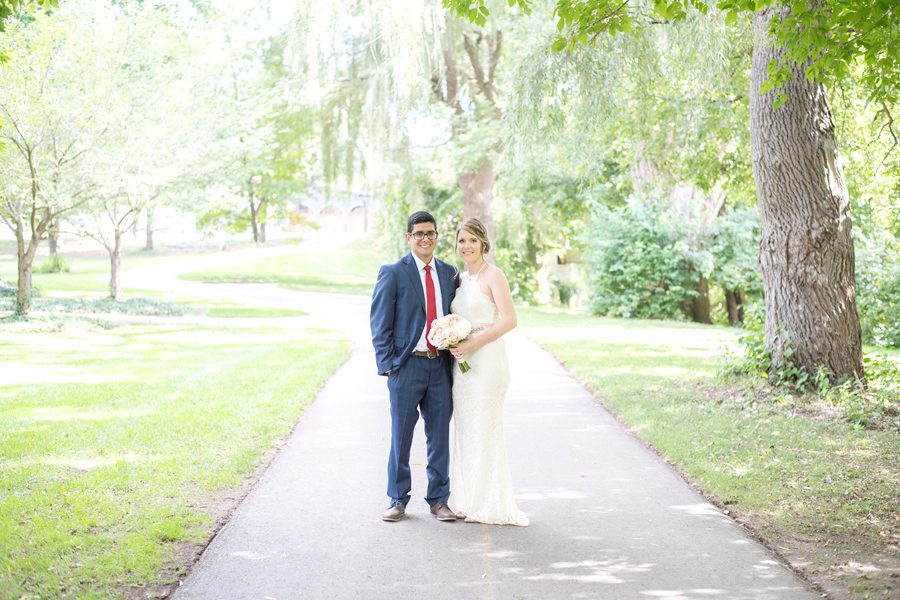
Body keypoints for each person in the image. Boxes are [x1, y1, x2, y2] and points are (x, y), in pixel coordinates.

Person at [370, 211, 459, 523]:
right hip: (407, 367)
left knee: (439, 437)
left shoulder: (449, 273)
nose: (425, 239)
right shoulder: (393, 272)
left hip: (440, 367)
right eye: (419, 234)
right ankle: (397, 499)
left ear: (436, 237)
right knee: (401, 436)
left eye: (430, 233)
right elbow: (379, 322)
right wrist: (390, 365)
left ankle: (439, 500)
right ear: (408, 238)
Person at [448, 218, 529, 526]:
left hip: (488, 362)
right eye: (461, 241)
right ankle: (467, 500)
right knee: (467, 429)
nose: (465, 246)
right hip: (464, 367)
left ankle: (488, 504)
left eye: (471, 240)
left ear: (483, 243)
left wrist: (473, 343)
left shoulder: (493, 275)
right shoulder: (461, 279)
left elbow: (509, 320)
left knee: (485, 428)